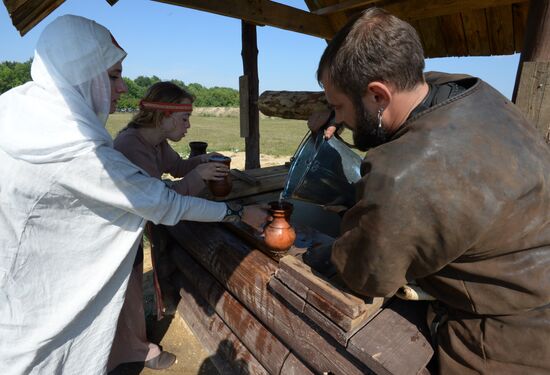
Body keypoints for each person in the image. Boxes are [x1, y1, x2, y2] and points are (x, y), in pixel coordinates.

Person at [0, 15, 267, 375]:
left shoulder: (19, 110)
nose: (123, 88)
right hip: (38, 311)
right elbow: (164, 201)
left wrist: (198, 163)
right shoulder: (84, 152)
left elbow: (173, 170)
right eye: (113, 76)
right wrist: (236, 214)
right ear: (79, 74)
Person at [311, 8, 550, 375]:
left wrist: (325, 247)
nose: (338, 118)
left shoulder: (402, 177)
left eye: (339, 106)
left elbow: (366, 273)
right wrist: (339, 110)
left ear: (377, 94)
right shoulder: (471, 91)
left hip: (510, 336)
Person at [108, 81, 230, 371]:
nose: (188, 126)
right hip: (116, 236)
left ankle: (133, 346)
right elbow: (159, 202)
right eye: (184, 118)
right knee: (126, 297)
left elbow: (177, 168)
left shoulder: (156, 143)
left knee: (133, 291)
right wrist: (200, 176)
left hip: (130, 232)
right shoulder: (130, 146)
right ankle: (135, 353)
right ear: (164, 115)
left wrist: (204, 161)